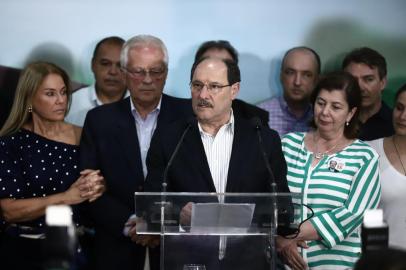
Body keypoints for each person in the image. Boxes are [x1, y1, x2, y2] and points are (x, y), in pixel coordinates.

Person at [144, 57, 291, 269]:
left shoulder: (263, 140)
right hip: (188, 260)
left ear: (234, 90)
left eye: (214, 86)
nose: (203, 95)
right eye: (197, 86)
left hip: (247, 262)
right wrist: (178, 214)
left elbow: (283, 209)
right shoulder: (170, 138)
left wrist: (210, 217)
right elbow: (150, 204)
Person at [79, 35, 193, 270]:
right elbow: (90, 186)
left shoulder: (188, 116)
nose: (148, 80)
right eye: (138, 72)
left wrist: (158, 224)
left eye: (156, 71)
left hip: (176, 244)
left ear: (167, 72)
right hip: (116, 244)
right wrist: (132, 223)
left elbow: (198, 181)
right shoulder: (99, 120)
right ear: (123, 72)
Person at [0, 61, 105, 270]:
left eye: (63, 92)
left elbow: (105, 185)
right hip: (26, 251)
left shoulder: (85, 135)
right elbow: (9, 211)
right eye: (50, 94)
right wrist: (66, 197)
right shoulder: (11, 143)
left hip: (80, 249)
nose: (60, 101)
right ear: (29, 97)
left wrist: (100, 186)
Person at [278, 71, 381, 269]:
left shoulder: (364, 156)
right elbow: (266, 197)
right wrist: (276, 238)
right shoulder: (287, 145)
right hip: (283, 264)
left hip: (338, 264)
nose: (325, 112)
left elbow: (354, 213)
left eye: (336, 107)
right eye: (321, 103)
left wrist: (290, 236)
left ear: (350, 113)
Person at [194, 40, 270, 126]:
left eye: (225, 64)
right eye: (208, 63)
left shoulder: (255, 119)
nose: (215, 69)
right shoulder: (177, 115)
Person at [368, 84, 406, 250]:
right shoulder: (370, 152)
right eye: (399, 107)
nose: (403, 116)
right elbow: (368, 213)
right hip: (385, 259)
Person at [66, 36, 128, 126]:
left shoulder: (142, 105)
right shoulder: (71, 103)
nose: (113, 72)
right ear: (93, 65)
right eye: (105, 64)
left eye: (120, 65)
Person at [258, 46, 320, 136]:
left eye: (306, 75)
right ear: (281, 76)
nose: (297, 82)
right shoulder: (259, 116)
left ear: (317, 80)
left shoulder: (325, 117)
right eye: (290, 72)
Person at [342, 47, 394, 140]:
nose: (360, 87)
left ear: (383, 82)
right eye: (353, 80)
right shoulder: (334, 119)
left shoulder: (396, 123)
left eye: (368, 79)